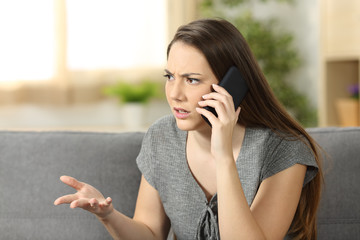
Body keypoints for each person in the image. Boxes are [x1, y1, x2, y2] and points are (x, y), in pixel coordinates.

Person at [54, 18, 323, 240]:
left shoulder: (284, 148)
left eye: (192, 80)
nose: (174, 94)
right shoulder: (162, 137)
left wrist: (224, 155)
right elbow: (149, 233)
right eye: (169, 77)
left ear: (232, 86)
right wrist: (108, 215)